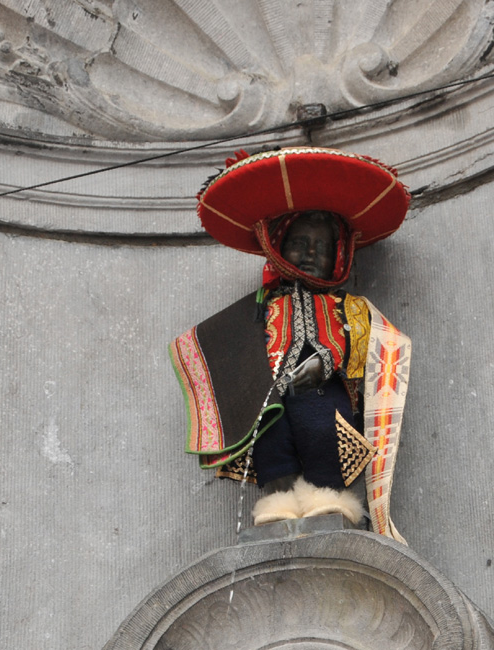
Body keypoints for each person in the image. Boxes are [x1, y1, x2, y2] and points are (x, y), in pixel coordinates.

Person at [169, 147, 411, 542]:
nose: (311, 253)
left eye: (321, 245)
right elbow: (233, 348)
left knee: (324, 436)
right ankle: (278, 500)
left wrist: (331, 363)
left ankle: (326, 497)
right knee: (271, 440)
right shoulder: (261, 307)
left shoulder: (349, 308)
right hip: (271, 395)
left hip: (323, 392)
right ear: (278, 246)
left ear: (340, 252)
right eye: (300, 242)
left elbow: (366, 350)